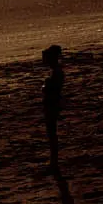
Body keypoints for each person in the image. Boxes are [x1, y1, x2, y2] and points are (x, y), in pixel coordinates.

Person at [41, 45, 65, 173]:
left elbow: (53, 90)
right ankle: (53, 161)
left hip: (52, 104)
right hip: (52, 104)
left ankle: (54, 162)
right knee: (51, 133)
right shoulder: (56, 71)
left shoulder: (56, 72)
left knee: (52, 133)